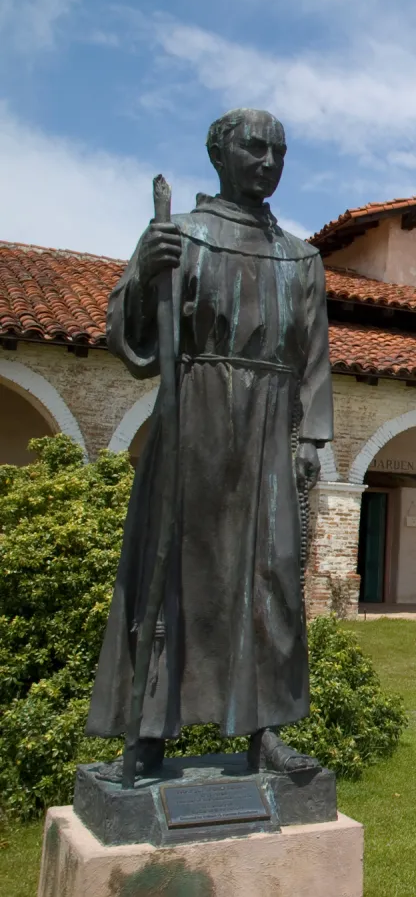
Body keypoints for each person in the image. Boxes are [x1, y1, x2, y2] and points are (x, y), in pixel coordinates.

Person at [86, 108, 332, 777]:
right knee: (170, 574)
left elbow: (313, 355)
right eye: (255, 148)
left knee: (271, 576)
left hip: (268, 427)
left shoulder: (300, 257)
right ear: (218, 153)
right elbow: (135, 340)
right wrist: (143, 275)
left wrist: (310, 434)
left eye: (279, 152)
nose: (268, 161)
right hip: (193, 418)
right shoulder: (180, 237)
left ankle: (266, 732)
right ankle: (145, 735)